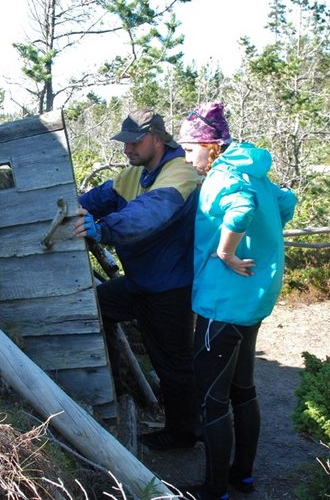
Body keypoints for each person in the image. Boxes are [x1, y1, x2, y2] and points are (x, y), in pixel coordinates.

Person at [178, 102, 298, 500]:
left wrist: (227, 253)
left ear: (210, 145)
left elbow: (242, 208)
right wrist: (263, 242)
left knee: (213, 400)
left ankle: (214, 491)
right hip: (252, 298)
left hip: (222, 301)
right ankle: (241, 476)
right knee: (242, 390)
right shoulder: (252, 170)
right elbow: (286, 203)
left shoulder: (223, 175)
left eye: (189, 147)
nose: (185, 155)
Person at [73, 108, 201, 451]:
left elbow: (147, 214)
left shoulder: (181, 172)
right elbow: (98, 198)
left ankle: (184, 433)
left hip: (170, 287)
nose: (127, 149)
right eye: (124, 142)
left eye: (135, 141)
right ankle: (112, 382)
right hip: (142, 283)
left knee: (173, 364)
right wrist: (73, 210)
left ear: (157, 139)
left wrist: (101, 229)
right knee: (96, 306)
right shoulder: (136, 173)